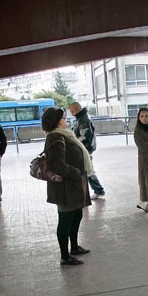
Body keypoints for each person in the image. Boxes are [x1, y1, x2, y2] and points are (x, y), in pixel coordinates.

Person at [42, 107, 92, 266]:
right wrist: (77, 173)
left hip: (73, 186)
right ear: (57, 122)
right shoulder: (55, 138)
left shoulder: (64, 135)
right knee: (65, 220)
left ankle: (75, 247)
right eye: (63, 118)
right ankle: (65, 256)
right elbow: (58, 165)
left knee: (76, 216)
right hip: (65, 187)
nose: (66, 120)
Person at [68, 102, 106, 198]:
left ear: (76, 109)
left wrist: (76, 145)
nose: (71, 113)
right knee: (88, 169)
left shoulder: (83, 120)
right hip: (84, 148)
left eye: (72, 111)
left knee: (87, 170)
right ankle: (97, 189)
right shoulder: (81, 118)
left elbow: (84, 137)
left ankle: (97, 190)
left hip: (84, 148)